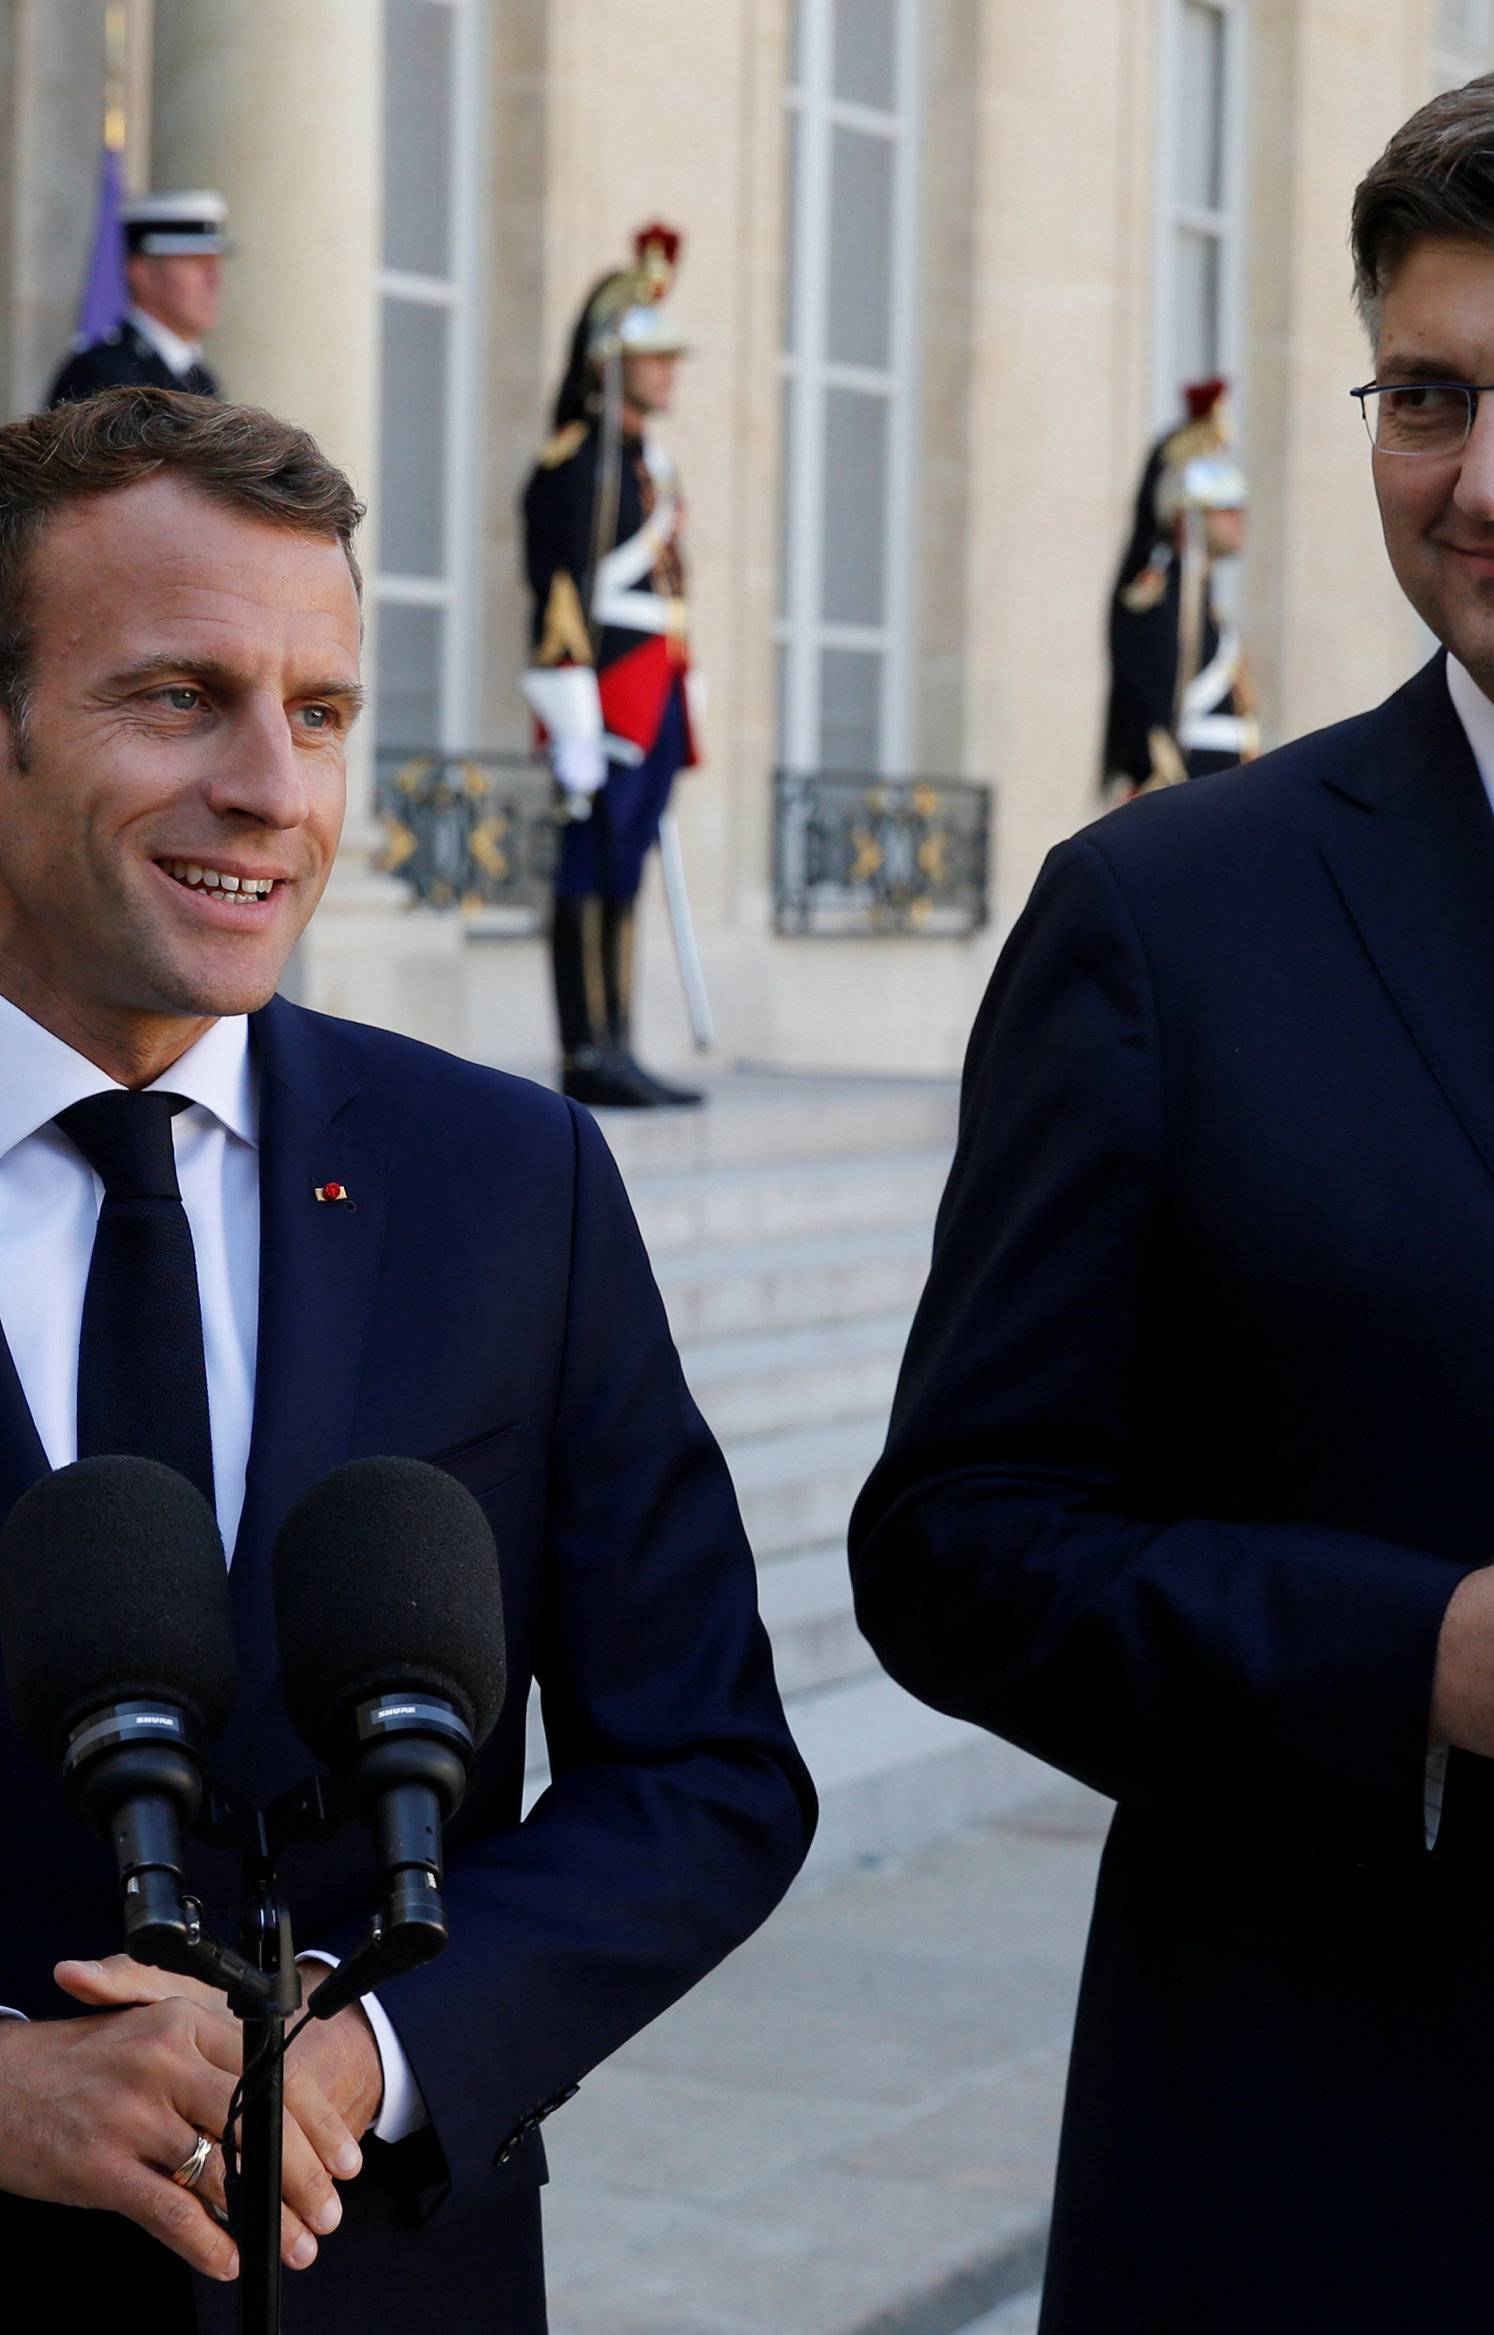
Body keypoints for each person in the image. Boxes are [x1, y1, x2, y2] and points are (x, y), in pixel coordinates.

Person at [852, 58, 1494, 2334]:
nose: (1490, 473)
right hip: (1343, 2186)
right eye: (1424, 397)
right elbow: (959, 1537)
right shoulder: (1168, 920)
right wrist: (1410, 1655)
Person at [0, 387, 813, 2327]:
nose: (276, 787)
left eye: (323, 712)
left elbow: (702, 1772)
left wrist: (372, 2059)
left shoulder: (506, 1182)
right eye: (179, 697)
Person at [521, 224, 704, 1110]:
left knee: (625, 863)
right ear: (610, 362)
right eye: (652, 355)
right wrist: (572, 713)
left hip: (654, 679)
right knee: (589, 862)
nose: (668, 370)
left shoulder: (648, 466)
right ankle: (585, 1047)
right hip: (607, 686)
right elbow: (557, 592)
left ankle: (620, 1037)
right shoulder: (577, 464)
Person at [1100, 380, 1259, 798]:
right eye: (1224, 505)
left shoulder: (1203, 596)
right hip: (1186, 790)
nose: (1239, 517)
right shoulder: (1158, 592)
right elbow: (1149, 712)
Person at [47, 191, 226, 407]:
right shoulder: (102, 376)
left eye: (215, 263)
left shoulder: (200, 378)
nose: (214, 280)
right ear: (144, 274)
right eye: (196, 262)